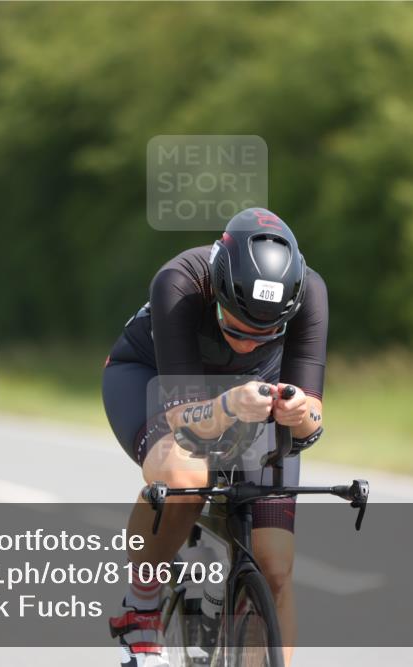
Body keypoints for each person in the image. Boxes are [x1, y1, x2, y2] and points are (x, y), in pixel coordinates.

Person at [102, 208, 328, 667]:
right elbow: (183, 414)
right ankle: (141, 605)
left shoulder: (313, 293)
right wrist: (227, 406)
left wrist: (301, 413)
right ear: (218, 290)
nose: (247, 343)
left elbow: (312, 419)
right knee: (184, 476)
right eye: (236, 326)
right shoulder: (180, 282)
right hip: (153, 380)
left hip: (254, 397)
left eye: (265, 333)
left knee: (276, 563)